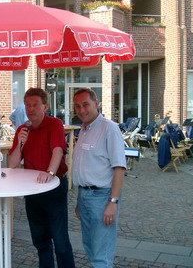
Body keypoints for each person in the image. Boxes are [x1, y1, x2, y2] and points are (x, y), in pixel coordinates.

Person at [8, 88, 75, 268]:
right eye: (27, 105)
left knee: (60, 240)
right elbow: (12, 163)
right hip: (32, 190)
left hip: (54, 186)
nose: (30, 109)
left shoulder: (55, 124)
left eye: (35, 105)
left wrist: (50, 173)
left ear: (45, 106)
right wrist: (20, 143)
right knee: (40, 239)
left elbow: (58, 151)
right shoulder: (22, 129)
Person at [72, 88, 126, 268]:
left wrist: (113, 202)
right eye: (77, 106)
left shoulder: (108, 128)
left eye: (85, 105)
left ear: (96, 104)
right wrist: (80, 201)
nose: (81, 110)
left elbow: (119, 168)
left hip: (102, 198)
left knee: (100, 254)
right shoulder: (85, 129)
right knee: (90, 247)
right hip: (85, 196)